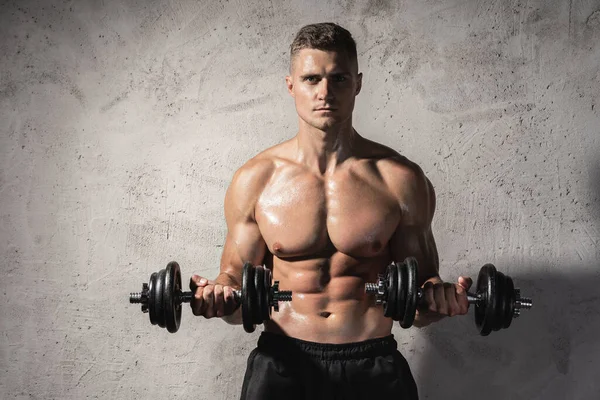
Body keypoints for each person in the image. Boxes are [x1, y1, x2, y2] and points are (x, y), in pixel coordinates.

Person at [189, 22, 473, 400]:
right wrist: (218, 297)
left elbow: (418, 306)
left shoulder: (399, 180)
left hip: (372, 366)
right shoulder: (256, 180)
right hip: (282, 365)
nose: (325, 93)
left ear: (357, 83)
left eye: (338, 78)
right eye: (311, 79)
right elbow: (239, 301)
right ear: (290, 85)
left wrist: (440, 298)